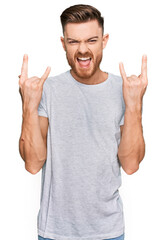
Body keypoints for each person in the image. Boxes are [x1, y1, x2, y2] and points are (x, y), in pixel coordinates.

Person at [18, 4, 148, 240]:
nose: (83, 50)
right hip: (55, 233)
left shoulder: (124, 89)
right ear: (63, 43)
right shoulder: (46, 90)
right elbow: (33, 164)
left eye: (91, 40)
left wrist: (134, 105)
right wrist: (28, 104)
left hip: (108, 231)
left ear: (104, 40)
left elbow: (130, 165)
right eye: (73, 41)